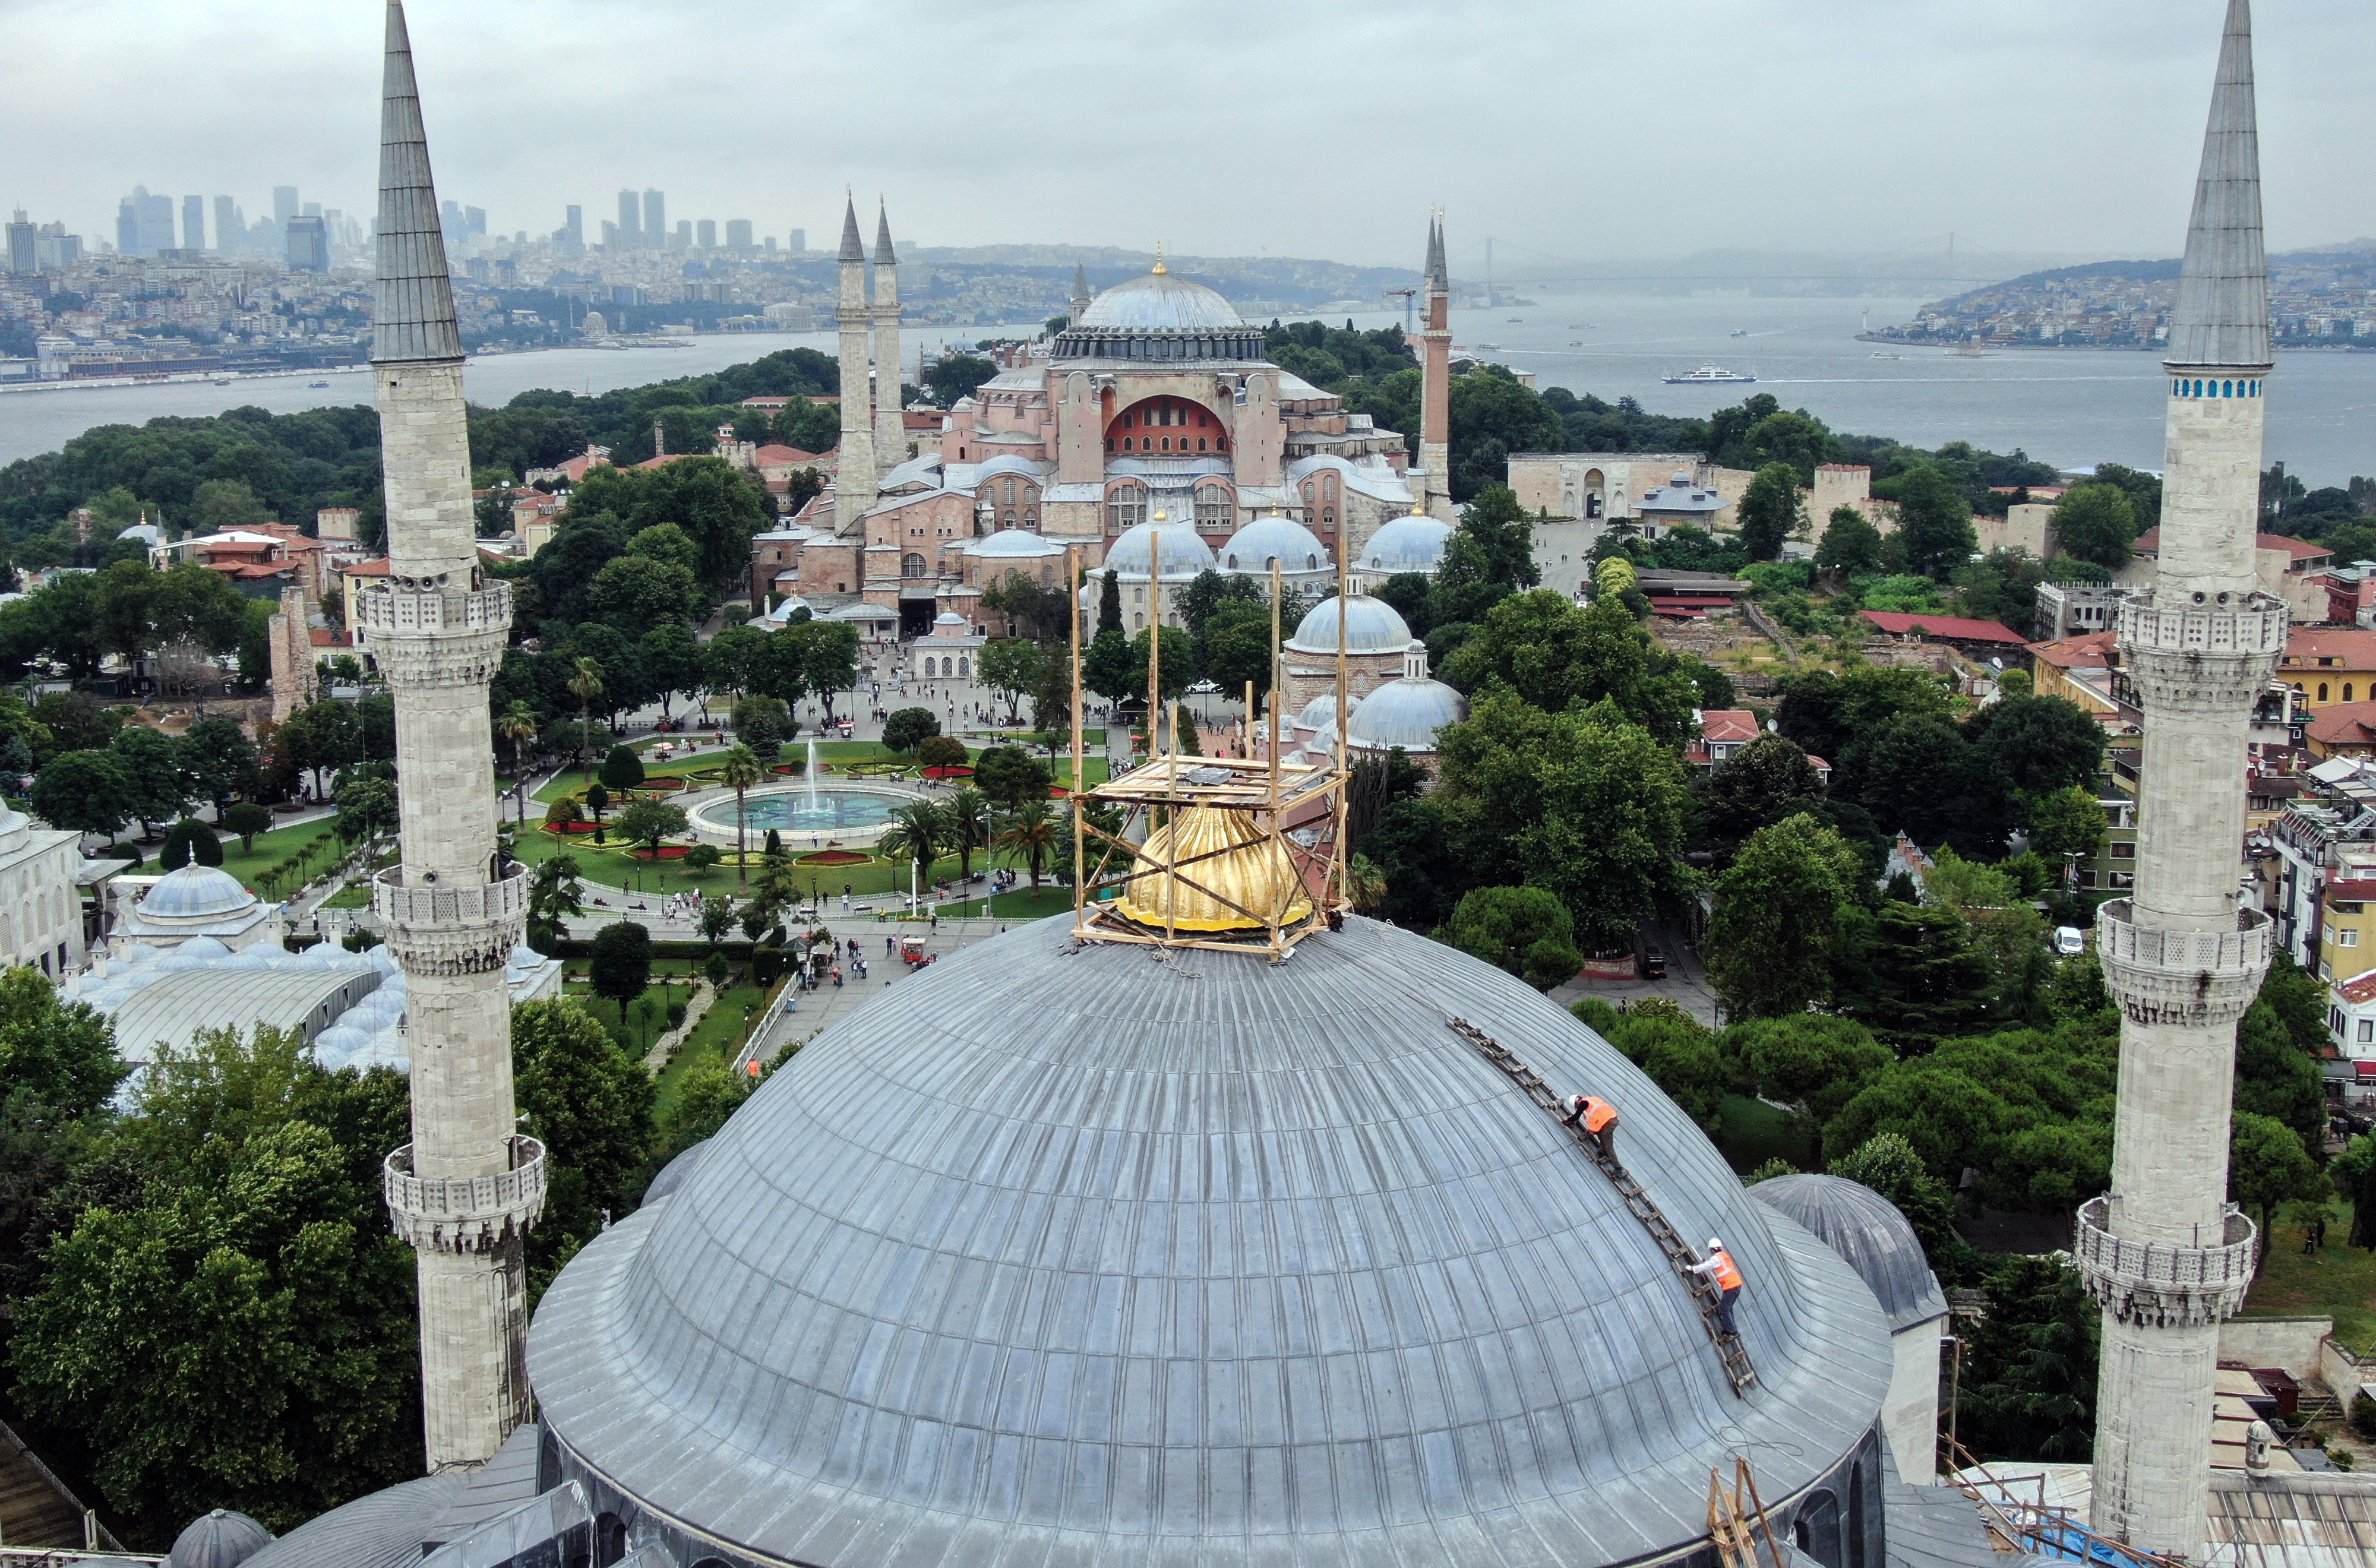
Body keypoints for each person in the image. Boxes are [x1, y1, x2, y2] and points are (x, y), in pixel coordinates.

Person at [1687, 1239, 1745, 1336]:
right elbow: (1718, 1267)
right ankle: (1730, 1327)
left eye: (1711, 1250)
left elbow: (1707, 1267)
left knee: (1724, 1309)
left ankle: (1732, 1331)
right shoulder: (1724, 1256)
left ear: (1713, 1250)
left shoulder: (1716, 1259)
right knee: (1728, 1308)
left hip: (1730, 1286)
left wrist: (1693, 1270)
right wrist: (1708, 1263)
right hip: (1736, 1285)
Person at [1562, 1093, 1619, 1164]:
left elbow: (1576, 1116)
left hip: (1608, 1123)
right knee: (1599, 1133)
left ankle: (1618, 1168)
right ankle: (1604, 1151)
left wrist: (1568, 1119)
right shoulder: (1592, 1099)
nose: (1578, 1107)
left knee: (1609, 1146)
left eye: (1576, 1106)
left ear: (1576, 1103)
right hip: (1611, 1120)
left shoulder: (1583, 1103)